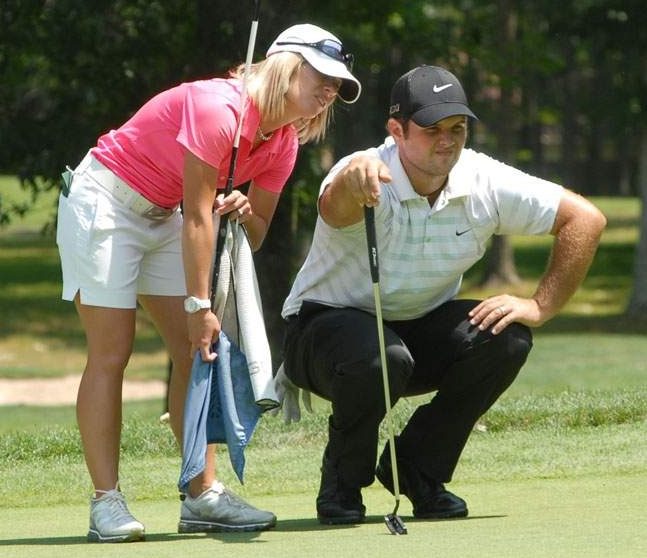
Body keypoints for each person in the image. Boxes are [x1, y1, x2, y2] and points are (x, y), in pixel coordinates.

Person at [56, 23, 361, 542]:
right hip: (104, 201)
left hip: (163, 214)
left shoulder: (282, 144)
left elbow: (257, 232)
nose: (330, 91)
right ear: (285, 65)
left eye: (338, 85)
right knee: (113, 350)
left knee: (200, 351)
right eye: (322, 76)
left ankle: (202, 495)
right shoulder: (217, 108)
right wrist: (200, 304)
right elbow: (198, 216)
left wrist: (242, 209)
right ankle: (105, 502)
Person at [280, 65, 606, 525]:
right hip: (321, 335)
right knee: (381, 357)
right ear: (396, 131)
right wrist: (355, 176)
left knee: (507, 337)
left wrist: (539, 306)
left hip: (411, 333)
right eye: (431, 130)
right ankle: (342, 482)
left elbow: (585, 220)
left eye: (458, 128)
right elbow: (337, 205)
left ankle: (417, 469)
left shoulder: (482, 179)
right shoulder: (366, 170)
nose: (447, 140)